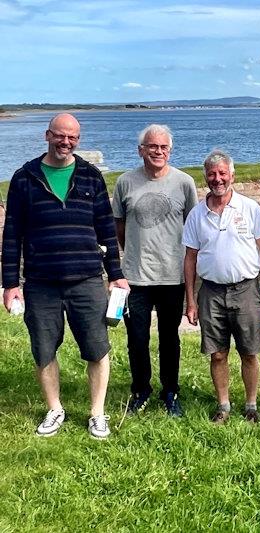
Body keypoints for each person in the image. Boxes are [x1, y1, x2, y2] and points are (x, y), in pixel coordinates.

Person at [1, 113, 129, 439]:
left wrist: (116, 275)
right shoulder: (24, 178)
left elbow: (106, 230)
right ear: (47, 135)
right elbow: (12, 234)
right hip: (41, 282)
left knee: (98, 348)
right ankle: (55, 408)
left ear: (78, 140)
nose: (66, 142)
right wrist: (10, 284)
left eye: (72, 137)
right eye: (60, 136)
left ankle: (97, 413)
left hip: (87, 278)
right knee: (44, 350)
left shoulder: (90, 176)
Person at [182, 150, 260, 424]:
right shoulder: (196, 215)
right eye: (212, 174)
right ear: (206, 177)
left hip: (246, 289)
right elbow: (189, 259)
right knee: (218, 353)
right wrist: (190, 300)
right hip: (210, 292)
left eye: (222, 173)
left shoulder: (250, 209)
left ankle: (251, 404)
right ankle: (223, 405)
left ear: (232, 175)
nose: (217, 179)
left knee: (249, 351)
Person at [112, 124, 197, 417]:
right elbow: (119, 228)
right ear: (141, 150)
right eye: (152, 147)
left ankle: (170, 391)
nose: (158, 152)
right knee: (137, 338)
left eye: (163, 147)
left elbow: (193, 229)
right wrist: (134, 252)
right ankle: (141, 389)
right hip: (135, 277)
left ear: (170, 150)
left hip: (172, 275)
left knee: (169, 337)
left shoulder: (184, 183)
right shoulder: (125, 182)